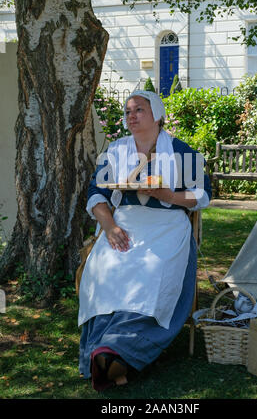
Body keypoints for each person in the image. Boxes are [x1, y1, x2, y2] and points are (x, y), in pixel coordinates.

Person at [78, 90, 212, 391]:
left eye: (139, 110)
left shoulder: (181, 152)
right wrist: (110, 226)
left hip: (167, 227)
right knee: (106, 270)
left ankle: (114, 353)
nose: (131, 116)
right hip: (124, 224)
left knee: (152, 273)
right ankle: (107, 354)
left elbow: (203, 194)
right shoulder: (115, 151)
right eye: (127, 112)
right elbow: (97, 193)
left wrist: (170, 196)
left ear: (158, 115)